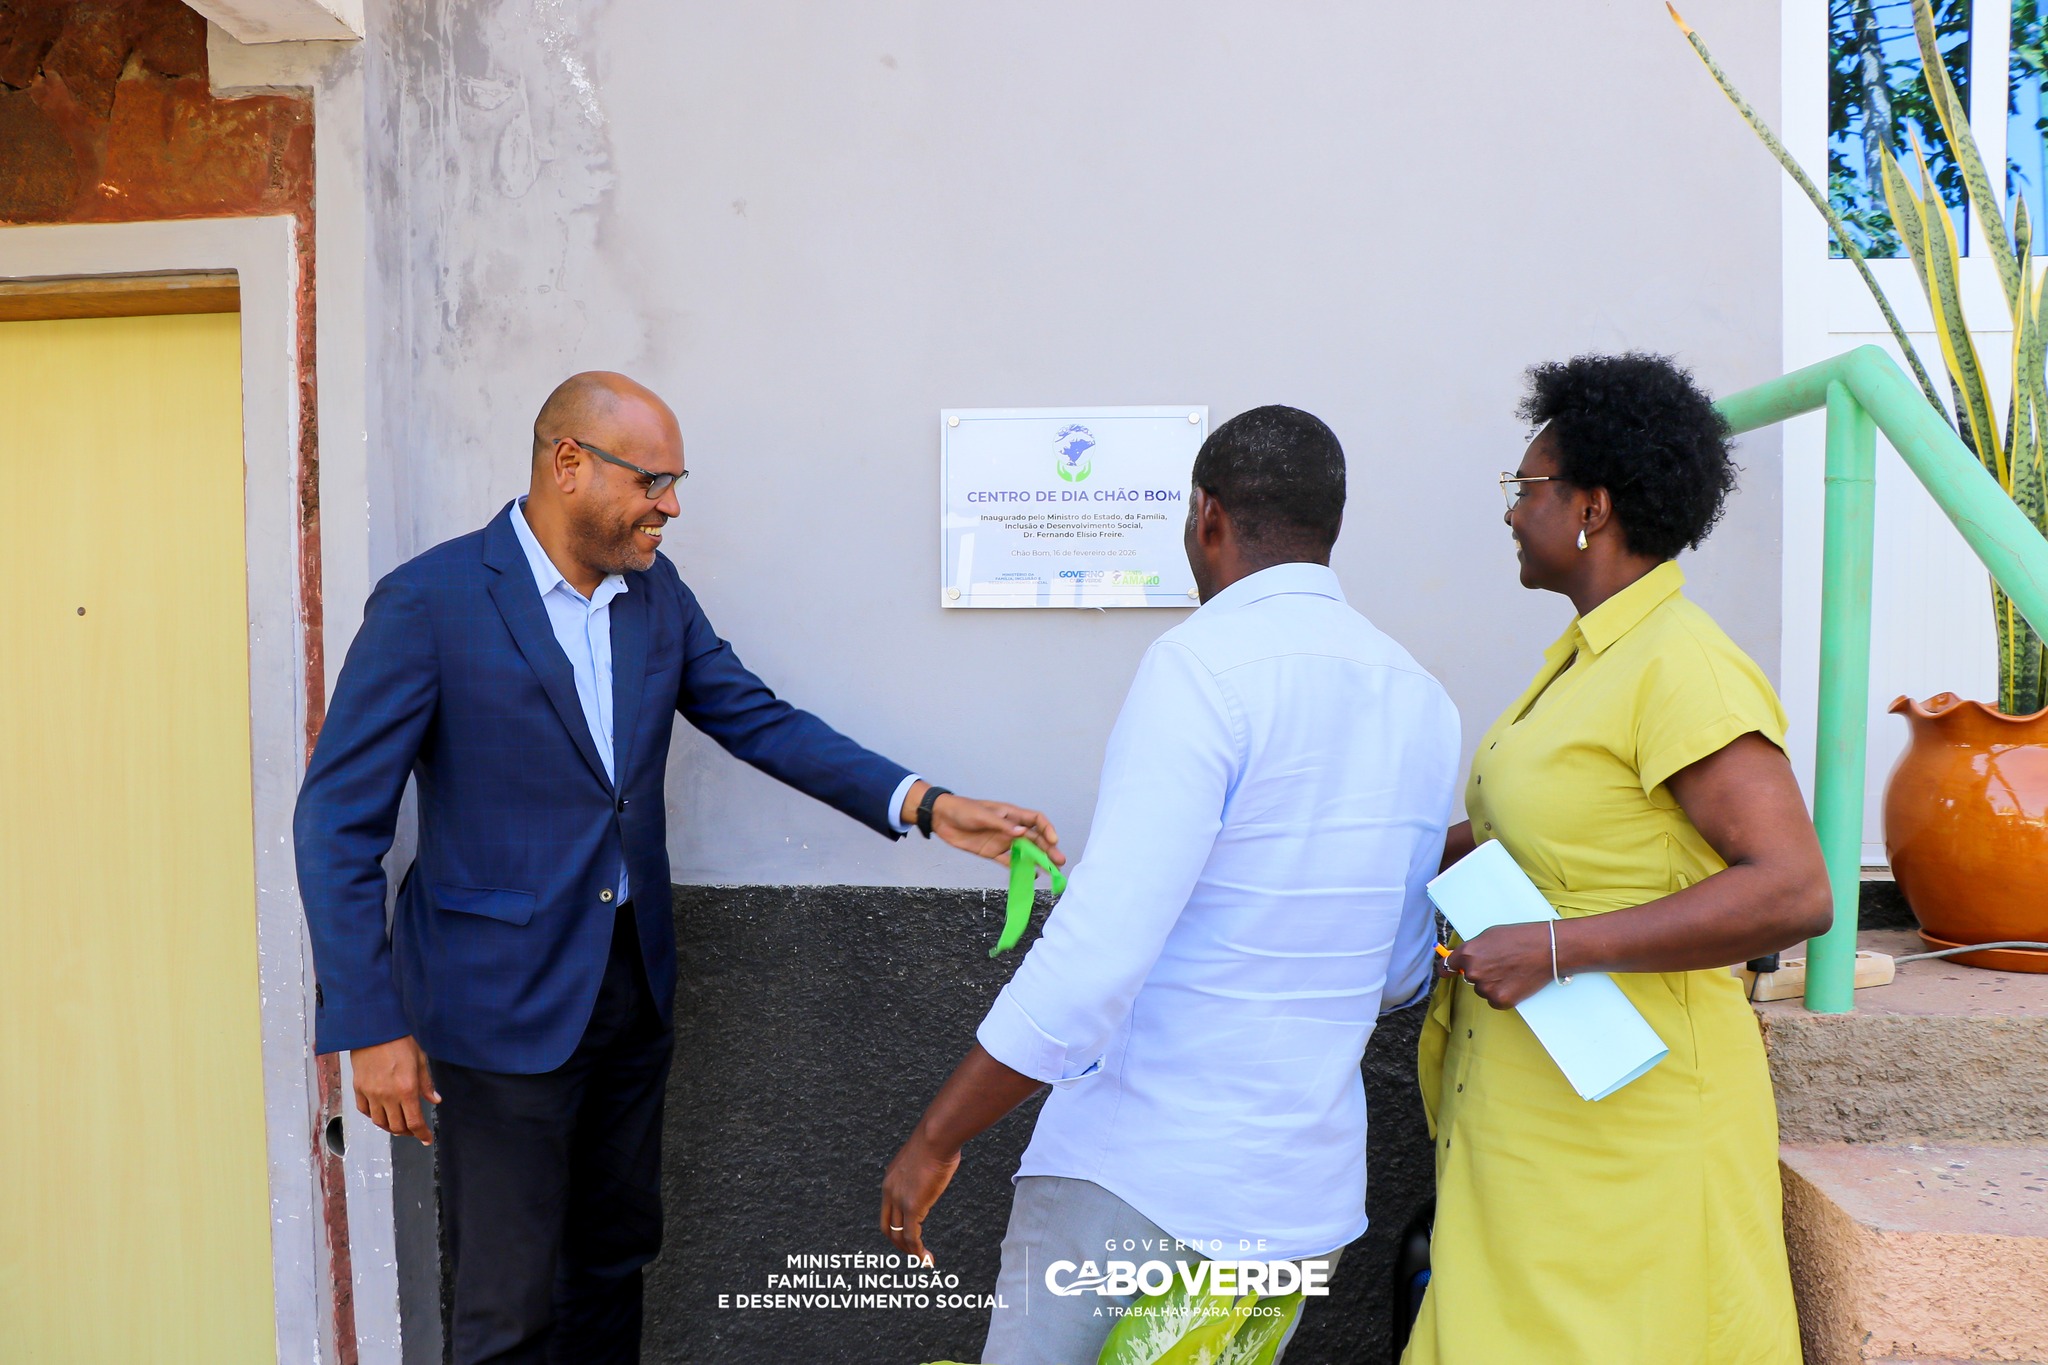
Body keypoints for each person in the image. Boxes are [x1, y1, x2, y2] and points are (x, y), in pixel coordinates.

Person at [293, 371, 1062, 1365]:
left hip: (629, 998)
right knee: (506, 1307)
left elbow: (757, 718)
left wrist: (926, 805)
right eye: (652, 480)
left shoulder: (656, 600)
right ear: (568, 464)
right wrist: (370, 1025)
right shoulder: (429, 603)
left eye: (675, 481)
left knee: (610, 1268)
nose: (671, 505)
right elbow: (336, 819)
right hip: (492, 1012)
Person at [879, 406, 1462, 1365]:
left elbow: (1096, 957)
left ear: (1207, 517)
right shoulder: (1421, 699)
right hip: (1296, 1212)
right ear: (1330, 527)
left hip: (1141, 1183)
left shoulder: (1198, 668)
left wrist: (937, 1137)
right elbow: (1397, 973)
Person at [1403, 354, 1831, 1365]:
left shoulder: (1678, 664)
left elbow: (1794, 886)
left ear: (1590, 506)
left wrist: (1555, 946)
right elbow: (1545, 836)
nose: (1510, 512)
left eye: (1526, 487)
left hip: (1631, 1125)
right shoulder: (1587, 659)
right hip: (1538, 1112)